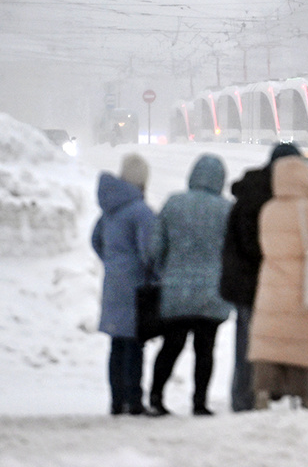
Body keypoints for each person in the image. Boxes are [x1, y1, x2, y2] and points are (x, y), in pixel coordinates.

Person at [248, 155, 308, 409]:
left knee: (270, 344)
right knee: (301, 345)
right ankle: (303, 396)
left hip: (271, 287)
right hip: (303, 288)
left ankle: (263, 393)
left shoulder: (268, 210)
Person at [147, 154, 233, 417]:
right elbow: (231, 250)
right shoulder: (225, 209)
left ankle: (156, 396)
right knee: (205, 349)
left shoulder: (174, 203)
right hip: (211, 292)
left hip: (177, 290)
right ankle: (199, 402)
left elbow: (155, 247)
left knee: (171, 345)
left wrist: (163, 271)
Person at [220, 142, 302, 412]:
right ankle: (246, 399)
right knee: (252, 342)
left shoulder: (257, 191)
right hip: (252, 282)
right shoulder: (263, 196)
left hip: (252, 280)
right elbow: (252, 244)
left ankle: (254, 395)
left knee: (252, 342)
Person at [92, 153, 156, 416]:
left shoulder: (110, 210)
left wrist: (112, 261)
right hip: (135, 286)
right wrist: (154, 274)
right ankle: (134, 401)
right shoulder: (140, 211)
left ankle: (117, 401)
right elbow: (150, 251)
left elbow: (95, 240)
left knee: (117, 344)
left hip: (113, 283)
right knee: (134, 345)